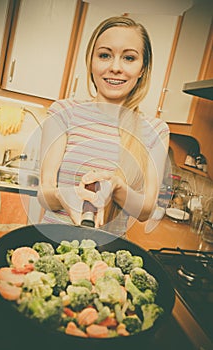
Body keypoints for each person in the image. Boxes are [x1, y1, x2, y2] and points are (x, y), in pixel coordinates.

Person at [37, 16, 170, 236]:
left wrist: (117, 187)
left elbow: (146, 210)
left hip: (105, 255)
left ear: (142, 68)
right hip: (53, 243)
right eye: (105, 55)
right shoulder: (63, 112)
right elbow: (45, 192)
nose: (115, 67)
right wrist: (62, 195)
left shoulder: (156, 130)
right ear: (91, 61)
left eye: (129, 58)